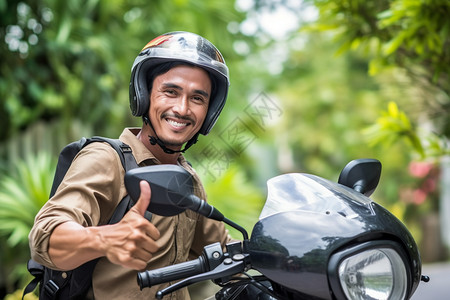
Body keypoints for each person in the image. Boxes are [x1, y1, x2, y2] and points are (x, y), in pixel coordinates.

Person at [29, 31, 231, 299]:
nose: (182, 109)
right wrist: (105, 238)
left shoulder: (188, 179)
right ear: (144, 94)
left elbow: (227, 254)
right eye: (170, 92)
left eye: (197, 98)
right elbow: (45, 236)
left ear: (209, 111)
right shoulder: (107, 159)